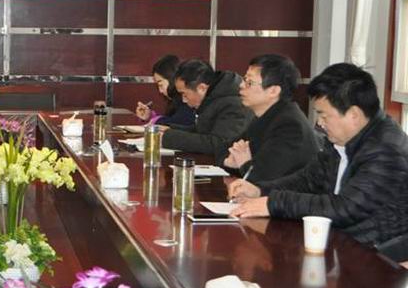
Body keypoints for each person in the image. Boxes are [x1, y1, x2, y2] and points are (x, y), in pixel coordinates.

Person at [229, 63, 408, 252]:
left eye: (324, 115)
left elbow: (345, 207)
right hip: (339, 243)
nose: (320, 123)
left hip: (377, 255)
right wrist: (260, 190)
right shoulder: (342, 139)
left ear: (353, 115)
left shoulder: (386, 150)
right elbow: (307, 180)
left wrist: (273, 203)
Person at [223, 54, 319, 183]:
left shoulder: (290, 126)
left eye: (249, 82)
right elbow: (224, 149)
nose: (241, 85)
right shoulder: (265, 116)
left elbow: (265, 179)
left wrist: (244, 163)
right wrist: (231, 163)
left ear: (273, 91)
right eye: (244, 80)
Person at [160, 59, 253, 163]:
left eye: (184, 94)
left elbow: (219, 143)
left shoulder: (234, 105)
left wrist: (168, 137)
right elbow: (203, 130)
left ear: (202, 88)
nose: (183, 100)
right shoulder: (215, 98)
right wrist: (170, 129)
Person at [134, 54, 196, 128]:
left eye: (160, 84)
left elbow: (175, 123)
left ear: (172, 78)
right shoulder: (176, 102)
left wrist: (155, 121)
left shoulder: (188, 100)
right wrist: (149, 116)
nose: (160, 91)